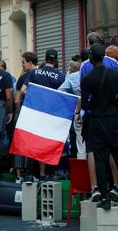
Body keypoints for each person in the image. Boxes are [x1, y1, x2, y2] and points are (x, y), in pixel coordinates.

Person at [81, 43, 118, 209]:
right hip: (113, 120)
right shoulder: (114, 75)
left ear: (91, 58)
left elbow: (84, 104)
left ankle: (104, 197)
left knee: (99, 158)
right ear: (104, 56)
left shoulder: (87, 79)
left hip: (97, 121)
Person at [77, 32, 118, 202]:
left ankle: (95, 187)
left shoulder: (85, 66)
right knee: (113, 150)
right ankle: (116, 186)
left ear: (89, 47)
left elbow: (82, 93)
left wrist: (78, 113)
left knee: (92, 150)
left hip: (92, 115)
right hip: (112, 114)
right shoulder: (114, 64)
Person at [20, 49, 65, 183]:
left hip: (35, 112)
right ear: (56, 61)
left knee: (32, 142)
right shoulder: (61, 76)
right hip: (51, 115)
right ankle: (43, 174)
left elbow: (23, 90)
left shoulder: (34, 72)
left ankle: (28, 174)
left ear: (45, 59)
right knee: (45, 144)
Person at [13, 52, 38, 183]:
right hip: (38, 113)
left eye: (23, 62)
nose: (22, 65)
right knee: (33, 142)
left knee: (20, 142)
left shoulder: (23, 78)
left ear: (29, 63)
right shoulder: (40, 74)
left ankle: (19, 175)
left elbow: (17, 100)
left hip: (24, 112)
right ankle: (33, 173)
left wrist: (17, 113)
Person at [58, 60, 85, 159]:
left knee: (80, 146)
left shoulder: (72, 77)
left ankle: (81, 172)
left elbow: (60, 91)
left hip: (78, 115)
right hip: (95, 114)